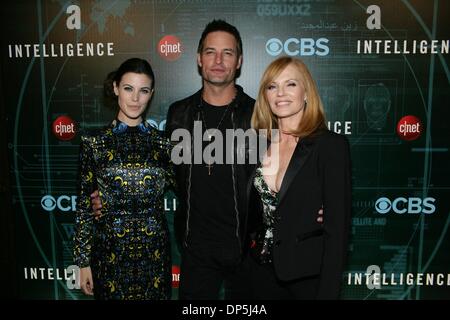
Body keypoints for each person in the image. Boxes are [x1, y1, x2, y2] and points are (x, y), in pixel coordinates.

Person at [91, 20, 322, 300]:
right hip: (196, 252)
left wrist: (312, 206)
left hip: (248, 252)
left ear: (239, 61)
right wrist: (115, 196)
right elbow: (161, 173)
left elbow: (287, 170)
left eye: (228, 53)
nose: (219, 60)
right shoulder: (179, 115)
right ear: (199, 59)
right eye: (211, 52)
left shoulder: (259, 115)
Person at [248, 56, 351, 299]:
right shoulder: (256, 143)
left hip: (307, 277)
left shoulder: (330, 145)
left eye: (290, 84)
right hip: (257, 275)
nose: (280, 93)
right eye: (272, 86)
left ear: (306, 92)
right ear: (265, 95)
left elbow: (338, 233)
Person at [73, 58, 174, 300]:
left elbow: (189, 190)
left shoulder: (164, 144)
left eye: (144, 90)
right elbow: (84, 206)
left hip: (155, 256)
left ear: (151, 94)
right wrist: (82, 262)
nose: (135, 98)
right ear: (116, 88)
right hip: (109, 255)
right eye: (128, 88)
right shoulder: (94, 143)